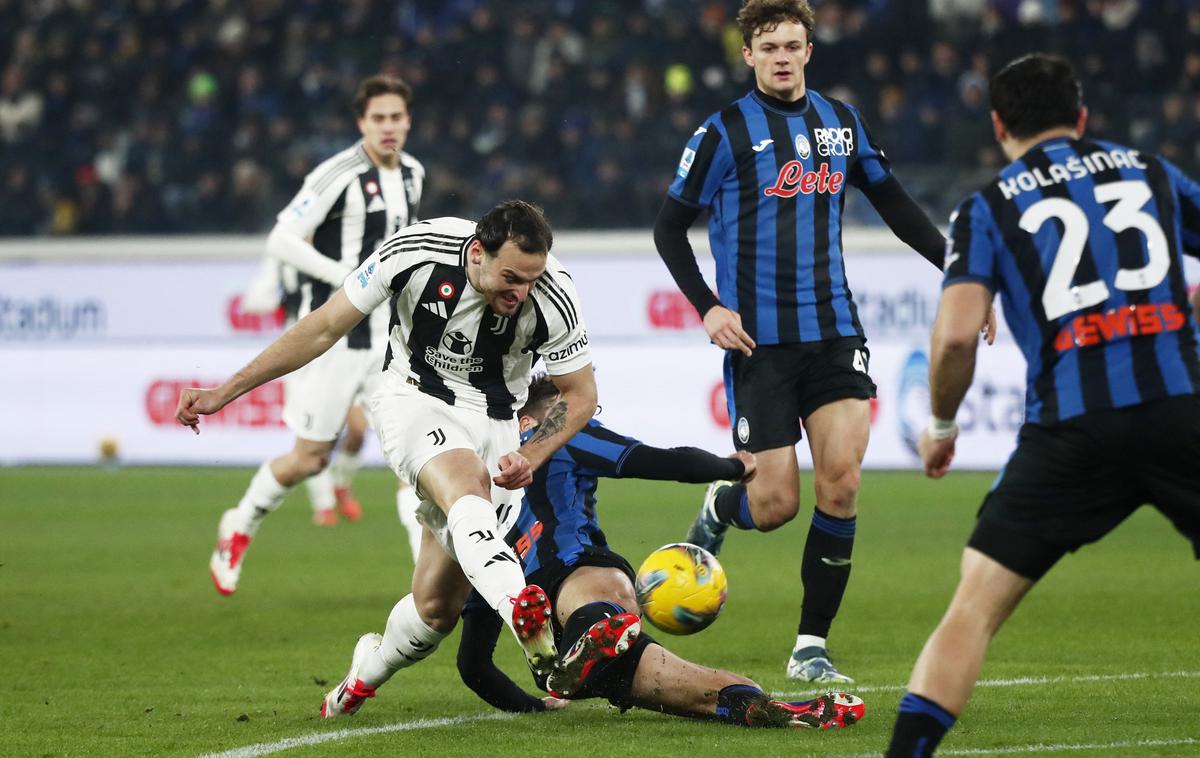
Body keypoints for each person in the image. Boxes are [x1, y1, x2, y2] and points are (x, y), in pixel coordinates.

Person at [653, 0, 995, 683]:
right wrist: (708, 306)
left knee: (841, 484)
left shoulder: (840, 124)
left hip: (836, 334)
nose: (782, 56)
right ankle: (723, 504)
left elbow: (897, 208)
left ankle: (811, 645)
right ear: (747, 54)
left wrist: (968, 275)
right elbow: (670, 229)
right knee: (775, 504)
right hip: (759, 345)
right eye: (768, 46)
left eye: (793, 44)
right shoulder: (721, 132)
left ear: (810, 50)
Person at [885, 54, 1200, 757]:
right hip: (1184, 406)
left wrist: (939, 424)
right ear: (1082, 116)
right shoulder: (1150, 172)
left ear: (999, 126)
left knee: (974, 608)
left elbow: (958, 335)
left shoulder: (987, 207)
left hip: (1071, 429)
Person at [176, 201, 599, 718]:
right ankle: (530, 628)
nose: (522, 291)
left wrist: (530, 454)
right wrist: (226, 391)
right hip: (414, 401)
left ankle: (363, 675)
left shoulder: (554, 293)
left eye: (532, 279)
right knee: (466, 485)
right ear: (477, 252)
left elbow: (580, 396)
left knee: (436, 610)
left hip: (498, 427)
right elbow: (325, 326)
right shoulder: (417, 251)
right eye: (512, 277)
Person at [455, 377, 865, 730]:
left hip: (538, 612)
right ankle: (584, 644)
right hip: (580, 578)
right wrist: (733, 469)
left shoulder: (476, 509)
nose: (582, 416)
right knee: (611, 590)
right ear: (528, 422)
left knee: (700, 689)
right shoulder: (562, 436)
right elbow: (658, 461)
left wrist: (535, 708)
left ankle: (764, 709)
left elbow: (473, 667)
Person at [208, 74, 425, 594]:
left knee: (413, 459)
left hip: (389, 343)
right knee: (309, 458)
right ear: (361, 123)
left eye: (397, 117)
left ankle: (431, 579)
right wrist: (345, 279)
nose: (389, 127)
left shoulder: (415, 174)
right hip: (328, 341)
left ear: (408, 120)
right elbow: (282, 239)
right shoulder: (338, 174)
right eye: (378, 118)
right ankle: (239, 524)